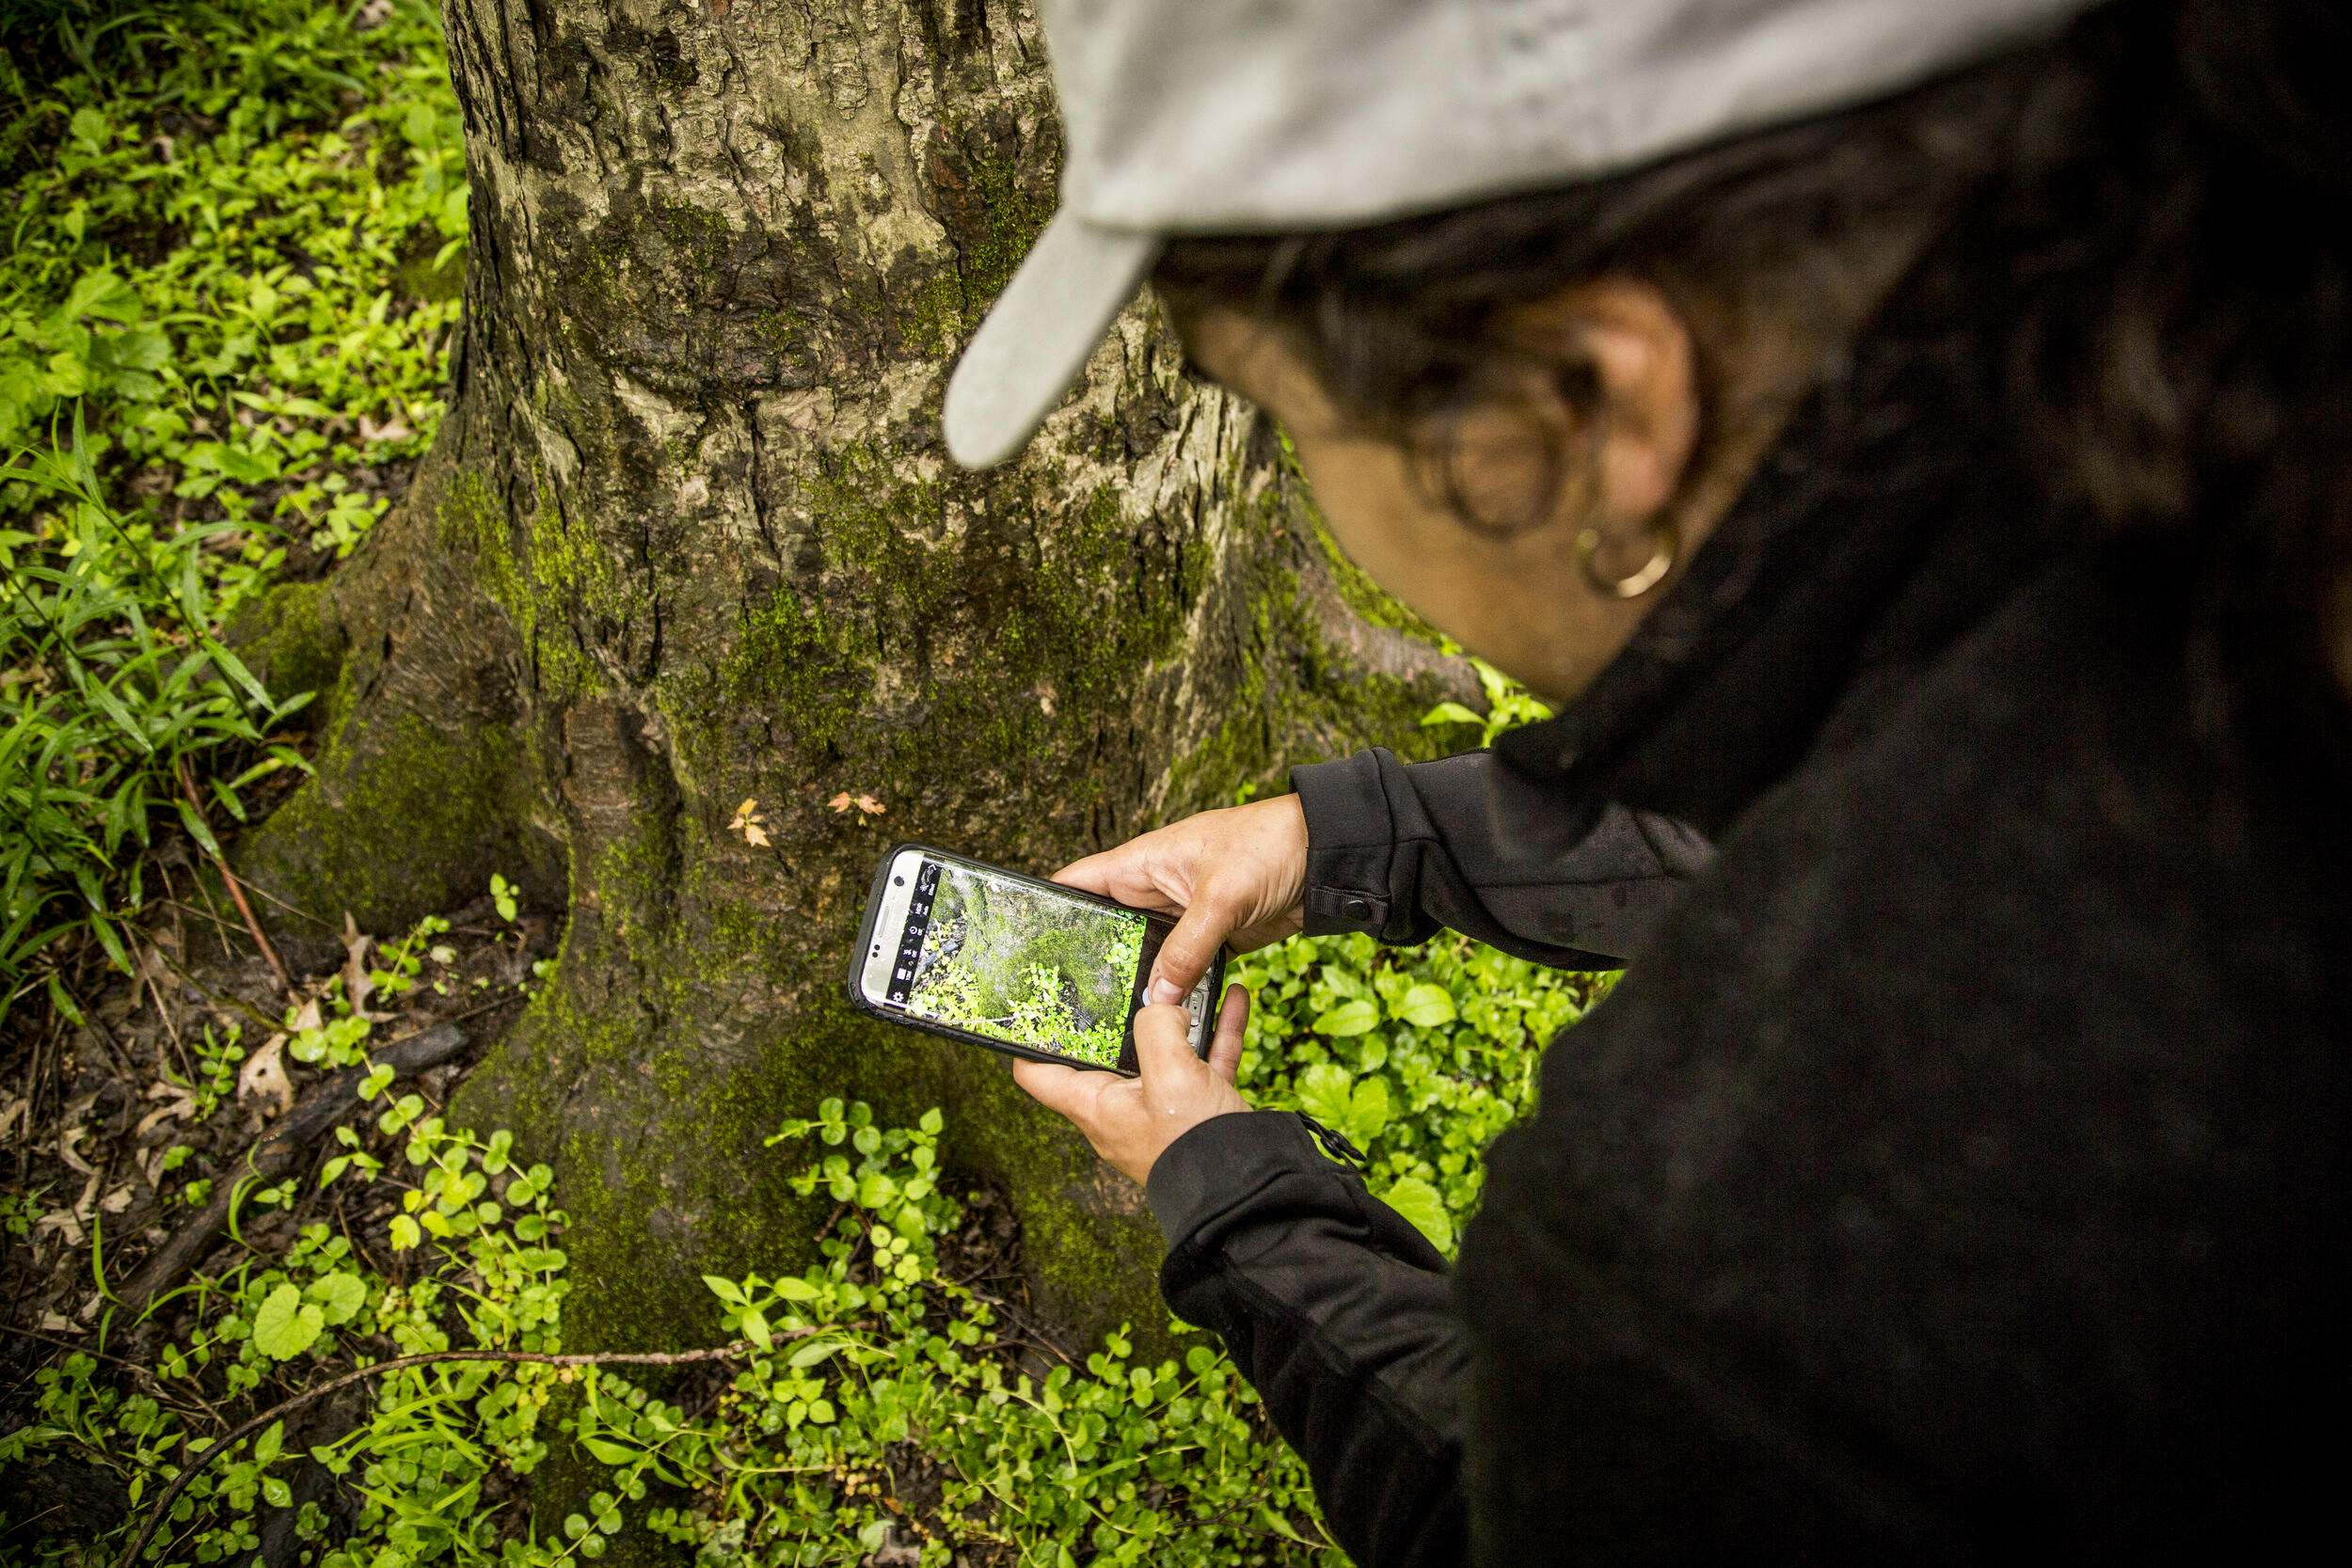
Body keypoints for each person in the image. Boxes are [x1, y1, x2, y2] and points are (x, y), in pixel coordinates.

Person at [942, 0, 2348, 1560]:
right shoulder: (2236, 430)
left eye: (1286, 417)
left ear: (1593, 408)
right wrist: (1363, 839)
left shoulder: (1744, 1271)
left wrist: (1230, 1198)